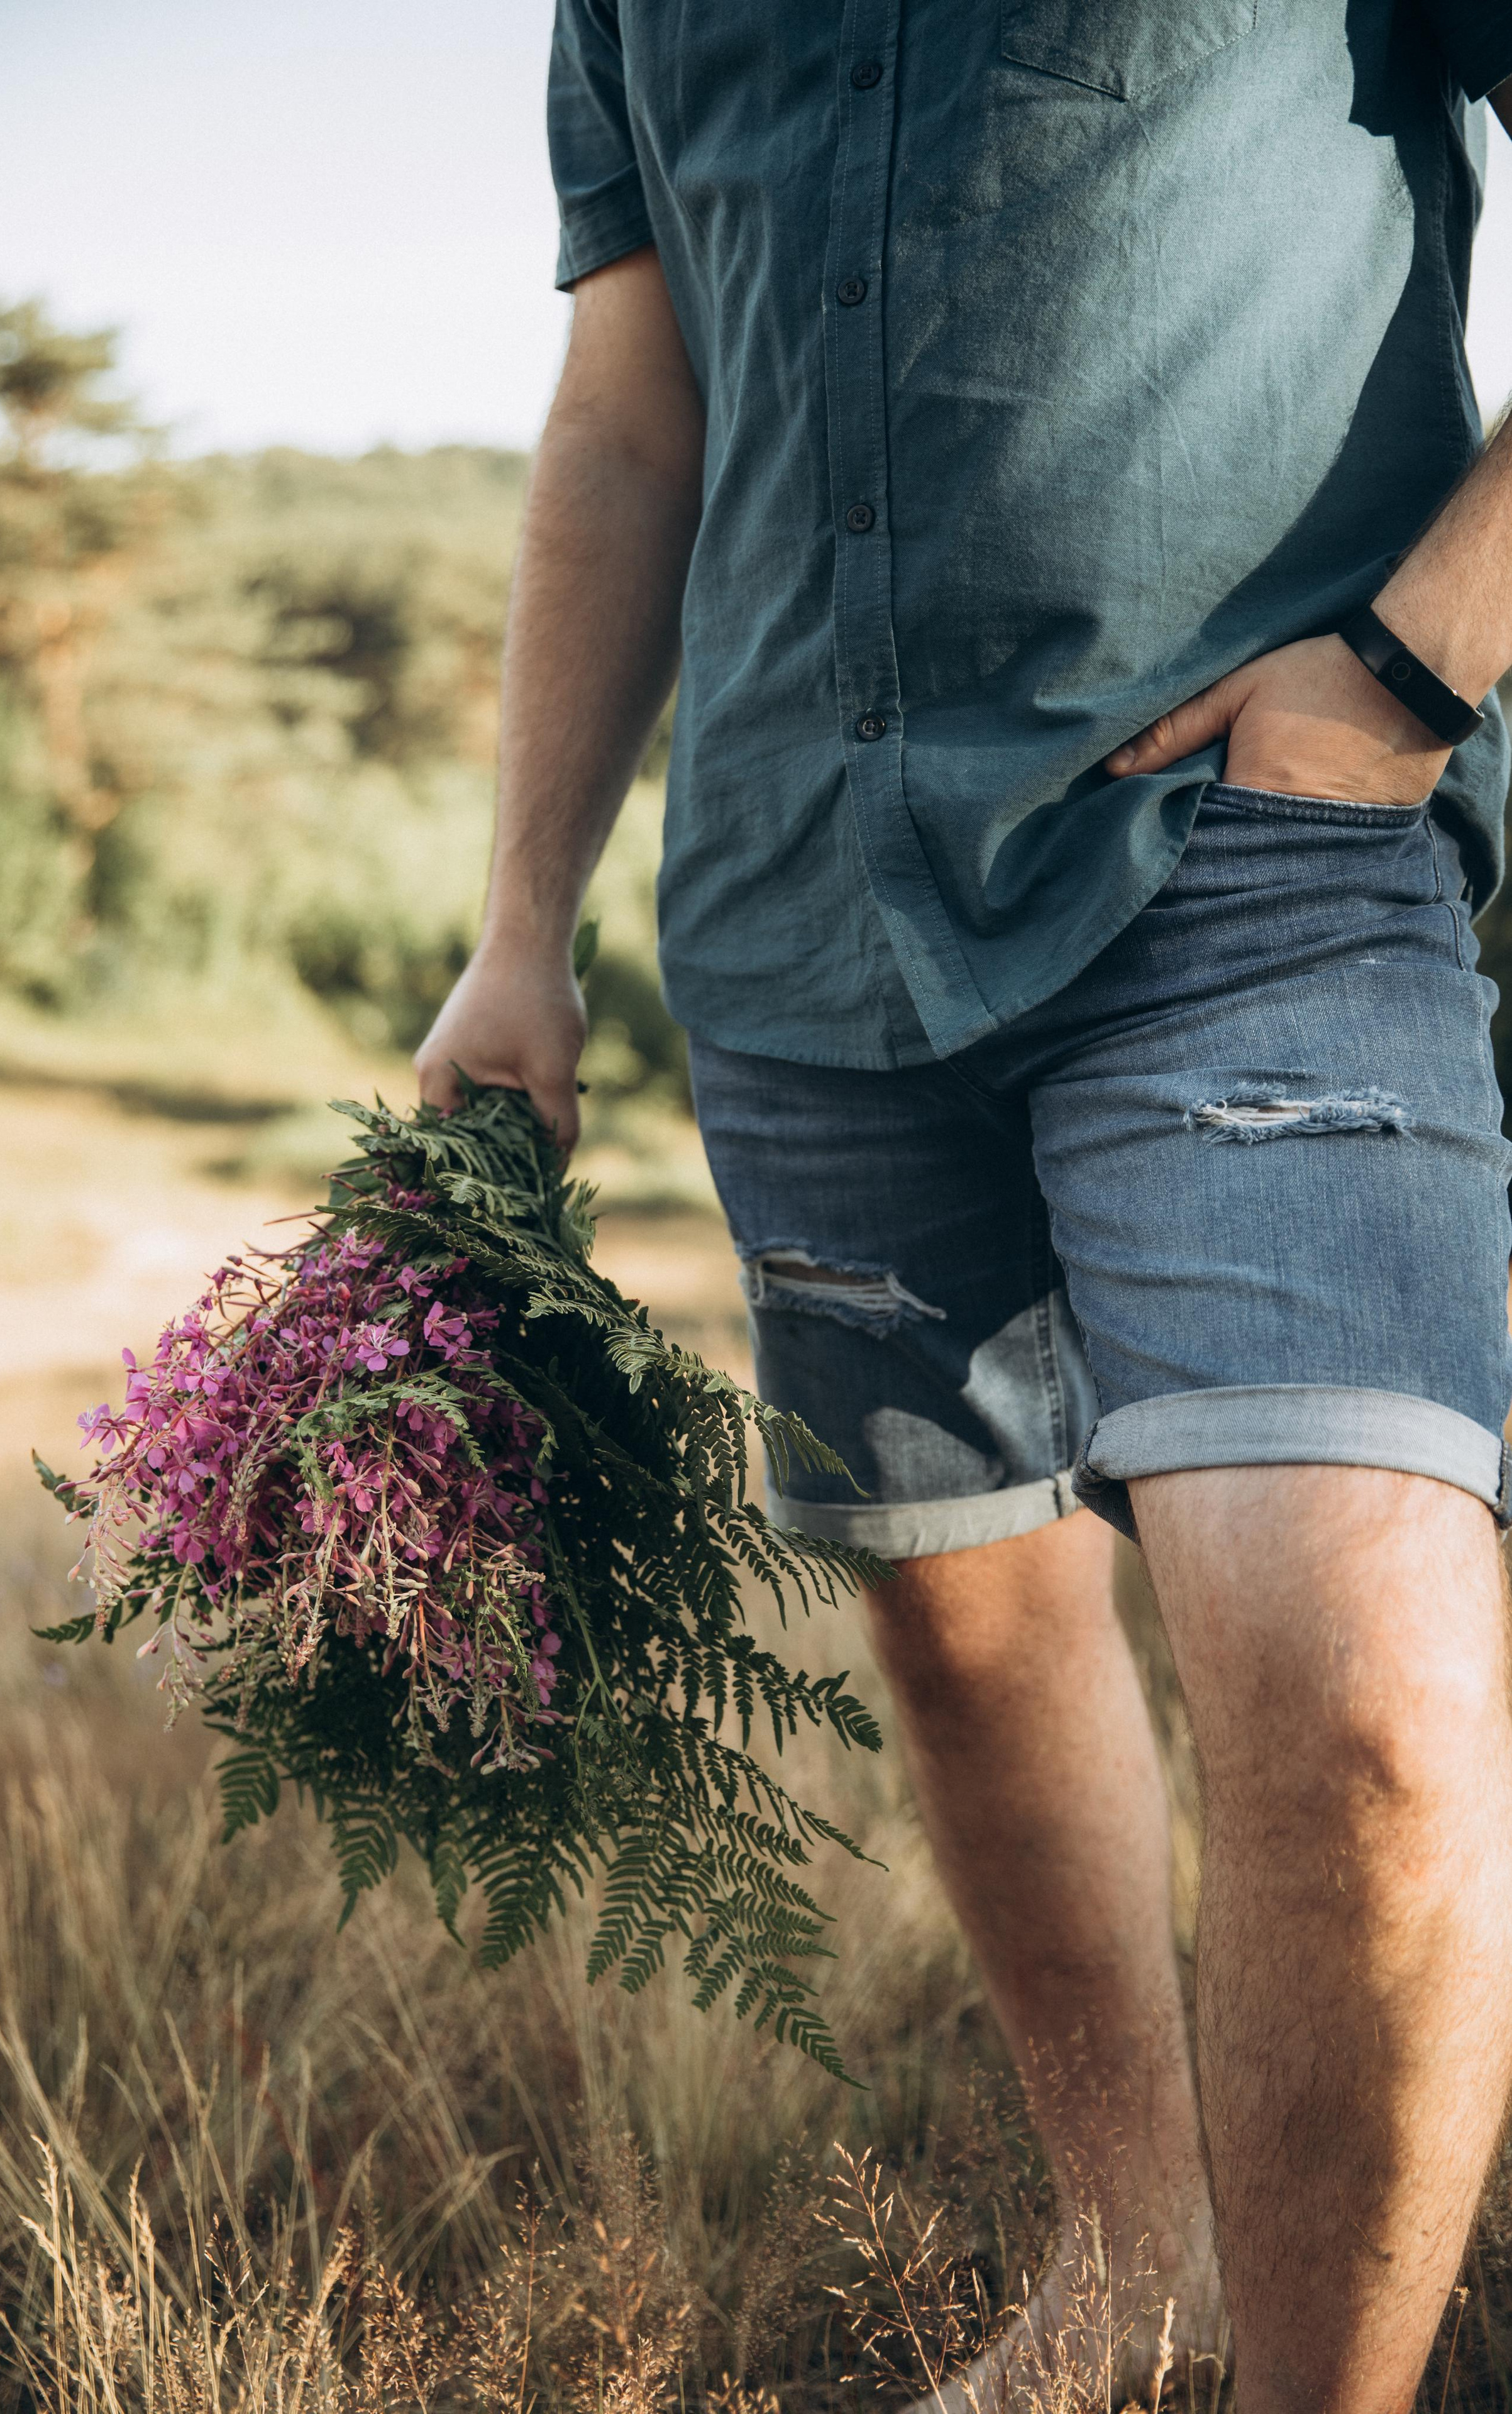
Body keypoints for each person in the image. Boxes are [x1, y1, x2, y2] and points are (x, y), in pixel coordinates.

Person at [419, 7, 1512, 2407]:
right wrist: (525, 920)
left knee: (1364, 1728)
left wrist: (1409, 664)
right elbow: (633, 411)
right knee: (965, 1616)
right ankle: (1140, 2271)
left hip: (1256, 862)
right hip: (801, 911)